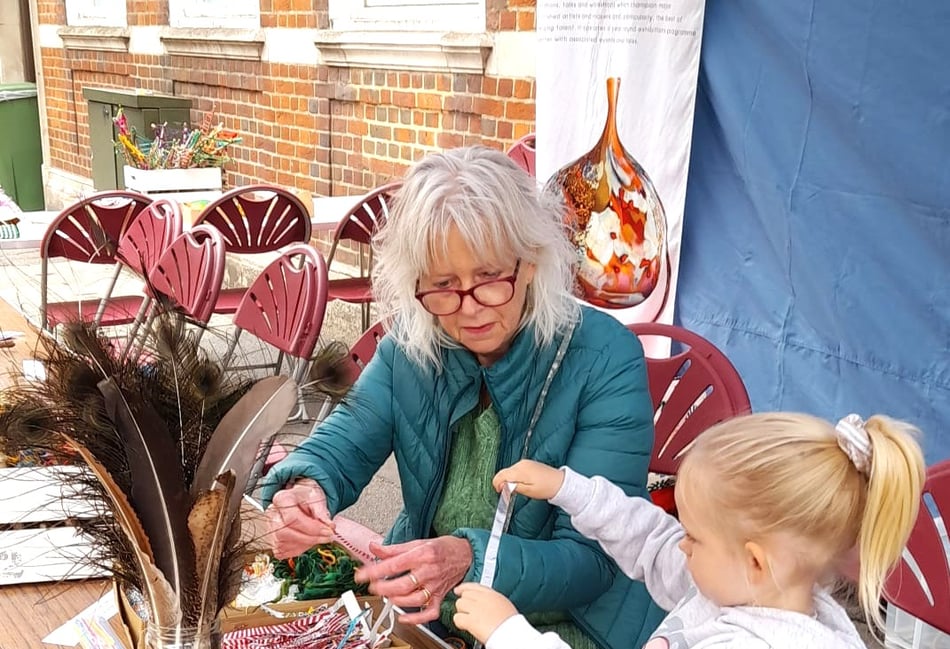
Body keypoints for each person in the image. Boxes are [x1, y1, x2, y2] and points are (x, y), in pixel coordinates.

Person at [262, 145, 665, 649]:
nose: (469, 309)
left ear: (532, 263)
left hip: (564, 625)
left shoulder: (603, 357)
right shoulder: (409, 349)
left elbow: (597, 559)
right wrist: (306, 487)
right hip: (431, 608)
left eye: (489, 280)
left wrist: (469, 558)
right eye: (444, 285)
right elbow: (340, 444)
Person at [452, 412, 926, 649]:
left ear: (756, 560)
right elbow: (652, 541)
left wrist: (511, 633)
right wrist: (567, 488)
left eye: (694, 535)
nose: (682, 541)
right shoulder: (747, 587)